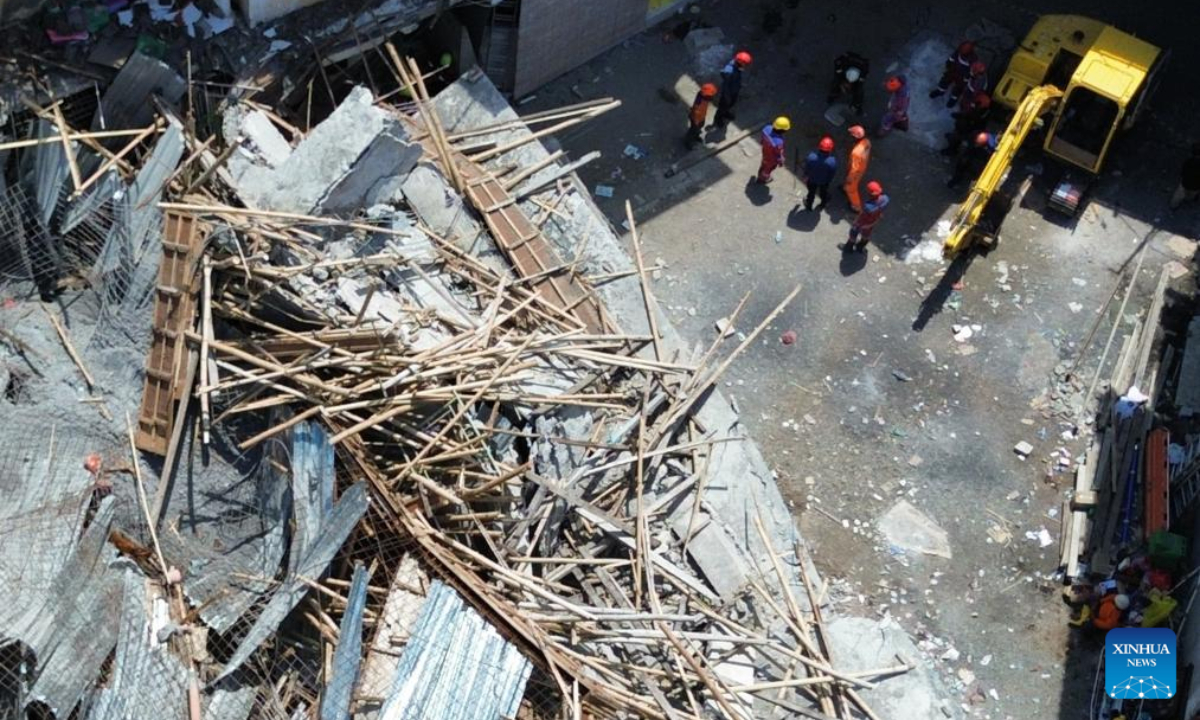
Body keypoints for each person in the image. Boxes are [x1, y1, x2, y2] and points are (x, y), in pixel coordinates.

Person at [841, 181, 888, 253]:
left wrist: (855, 221)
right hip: (873, 221)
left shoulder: (868, 207)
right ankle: (860, 247)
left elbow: (861, 217)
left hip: (863, 223)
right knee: (866, 235)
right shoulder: (885, 199)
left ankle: (848, 248)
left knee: (853, 233)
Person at [930, 41, 978, 107]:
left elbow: (973, 71)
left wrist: (969, 78)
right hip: (953, 70)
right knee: (945, 80)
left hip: (963, 77)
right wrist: (949, 63)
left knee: (958, 89)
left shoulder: (973, 59)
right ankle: (940, 91)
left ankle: (953, 99)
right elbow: (952, 58)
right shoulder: (958, 52)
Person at [713, 51, 752, 127]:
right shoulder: (729, 71)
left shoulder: (737, 65)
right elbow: (726, 87)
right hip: (728, 94)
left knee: (730, 104)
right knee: (723, 106)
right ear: (740, 62)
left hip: (734, 90)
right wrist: (727, 97)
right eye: (745, 64)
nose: (746, 66)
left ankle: (725, 113)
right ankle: (718, 119)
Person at [800, 136, 838, 212]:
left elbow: (807, 168)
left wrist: (805, 176)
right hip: (824, 181)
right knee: (823, 193)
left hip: (812, 180)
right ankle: (823, 204)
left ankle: (809, 205)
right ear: (830, 149)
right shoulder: (832, 161)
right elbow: (832, 174)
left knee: (811, 193)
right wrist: (828, 181)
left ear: (819, 147)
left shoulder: (811, 157)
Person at [827, 51, 870, 116]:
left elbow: (861, 83)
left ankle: (857, 106)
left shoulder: (863, 72)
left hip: (856, 76)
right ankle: (833, 95)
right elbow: (837, 67)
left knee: (859, 92)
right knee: (836, 83)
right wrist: (841, 85)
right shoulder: (841, 66)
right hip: (843, 73)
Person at [842, 125, 872, 212]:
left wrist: (849, 179)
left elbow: (854, 169)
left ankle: (856, 206)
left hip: (856, 173)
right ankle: (845, 188)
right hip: (862, 166)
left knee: (851, 189)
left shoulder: (856, 153)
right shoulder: (867, 142)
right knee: (849, 185)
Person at [757, 116, 790, 184]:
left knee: (764, 162)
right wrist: (781, 162)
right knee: (768, 169)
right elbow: (778, 154)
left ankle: (762, 169)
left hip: (765, 152)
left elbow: (762, 139)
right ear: (783, 131)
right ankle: (762, 179)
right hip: (772, 159)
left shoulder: (767, 128)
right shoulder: (779, 142)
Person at [686, 83, 718, 148]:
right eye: (710, 96)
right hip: (696, 119)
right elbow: (696, 113)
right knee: (693, 130)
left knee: (699, 127)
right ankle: (688, 142)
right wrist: (696, 122)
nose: (712, 97)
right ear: (705, 95)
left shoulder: (704, 97)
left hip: (701, 117)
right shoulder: (699, 102)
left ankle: (696, 136)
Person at [1170, 143, 1200, 209]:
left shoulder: (1189, 162)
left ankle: (1173, 206)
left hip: (1185, 183)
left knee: (1178, 195)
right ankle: (1188, 199)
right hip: (1196, 186)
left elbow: (1183, 171)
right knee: (1191, 194)